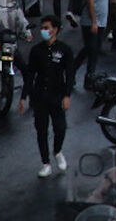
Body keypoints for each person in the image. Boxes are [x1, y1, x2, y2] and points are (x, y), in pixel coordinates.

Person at [18, 15, 75, 177]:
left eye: (46, 28)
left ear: (55, 30)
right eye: (42, 28)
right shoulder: (36, 51)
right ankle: (45, 163)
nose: (43, 31)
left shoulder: (65, 50)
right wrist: (23, 97)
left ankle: (57, 151)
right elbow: (30, 76)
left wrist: (67, 95)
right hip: (40, 97)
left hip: (57, 95)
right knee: (41, 130)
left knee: (60, 127)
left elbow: (70, 75)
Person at [75, 0, 110, 89]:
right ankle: (88, 77)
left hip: (101, 22)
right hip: (91, 23)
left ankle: (80, 73)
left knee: (91, 50)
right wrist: (94, 21)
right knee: (91, 50)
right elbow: (90, 1)